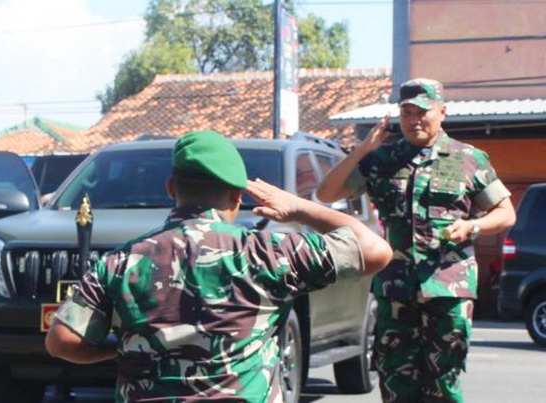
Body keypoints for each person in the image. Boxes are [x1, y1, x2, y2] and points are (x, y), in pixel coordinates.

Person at [45, 130, 392, 402]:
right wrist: (299, 208)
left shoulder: (121, 261)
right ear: (237, 197)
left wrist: (122, 348)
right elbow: (375, 250)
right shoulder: (265, 253)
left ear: (171, 188)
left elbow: (61, 342)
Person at [316, 78, 517, 402]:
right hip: (396, 287)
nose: (414, 119)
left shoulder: (468, 158)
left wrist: (471, 226)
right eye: (407, 112)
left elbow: (506, 213)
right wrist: (362, 150)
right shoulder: (381, 160)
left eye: (422, 111)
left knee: (444, 380)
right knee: (396, 379)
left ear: (442, 112)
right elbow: (326, 193)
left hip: (449, 288)